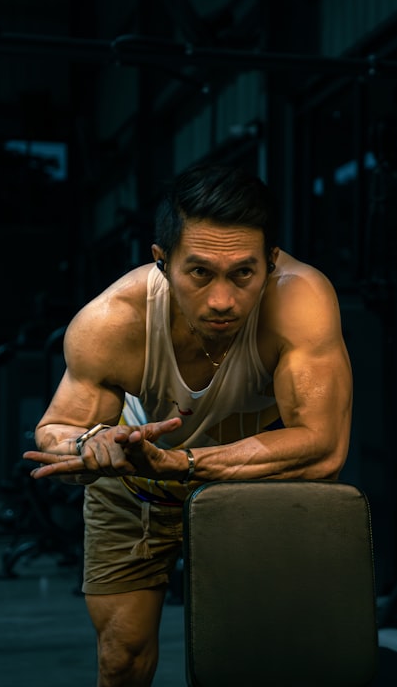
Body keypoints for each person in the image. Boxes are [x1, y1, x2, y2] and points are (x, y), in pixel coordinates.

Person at [23, 161, 353, 687]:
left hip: (256, 481)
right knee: (122, 659)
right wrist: (91, 444)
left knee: (265, 656)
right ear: (162, 262)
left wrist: (184, 463)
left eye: (243, 273)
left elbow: (323, 446)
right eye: (199, 272)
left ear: (269, 263)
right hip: (133, 483)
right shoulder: (112, 321)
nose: (222, 300)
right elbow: (56, 431)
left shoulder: (300, 300)